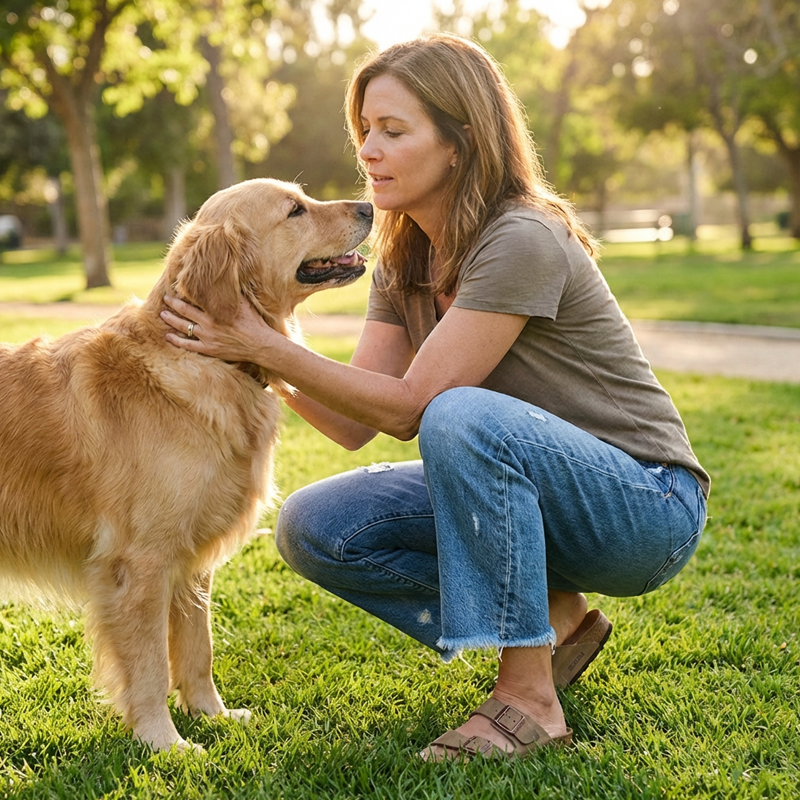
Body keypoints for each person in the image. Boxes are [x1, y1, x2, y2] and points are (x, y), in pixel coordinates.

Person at [161, 33, 709, 761]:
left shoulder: (521, 238)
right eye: (364, 132)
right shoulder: (402, 256)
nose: (368, 152)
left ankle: (528, 702)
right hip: (536, 493)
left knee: (456, 415)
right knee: (315, 525)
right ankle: (555, 620)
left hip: (643, 507)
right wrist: (248, 357)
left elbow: (411, 407)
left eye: (393, 131)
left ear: (460, 142)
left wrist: (265, 346)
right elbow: (358, 423)